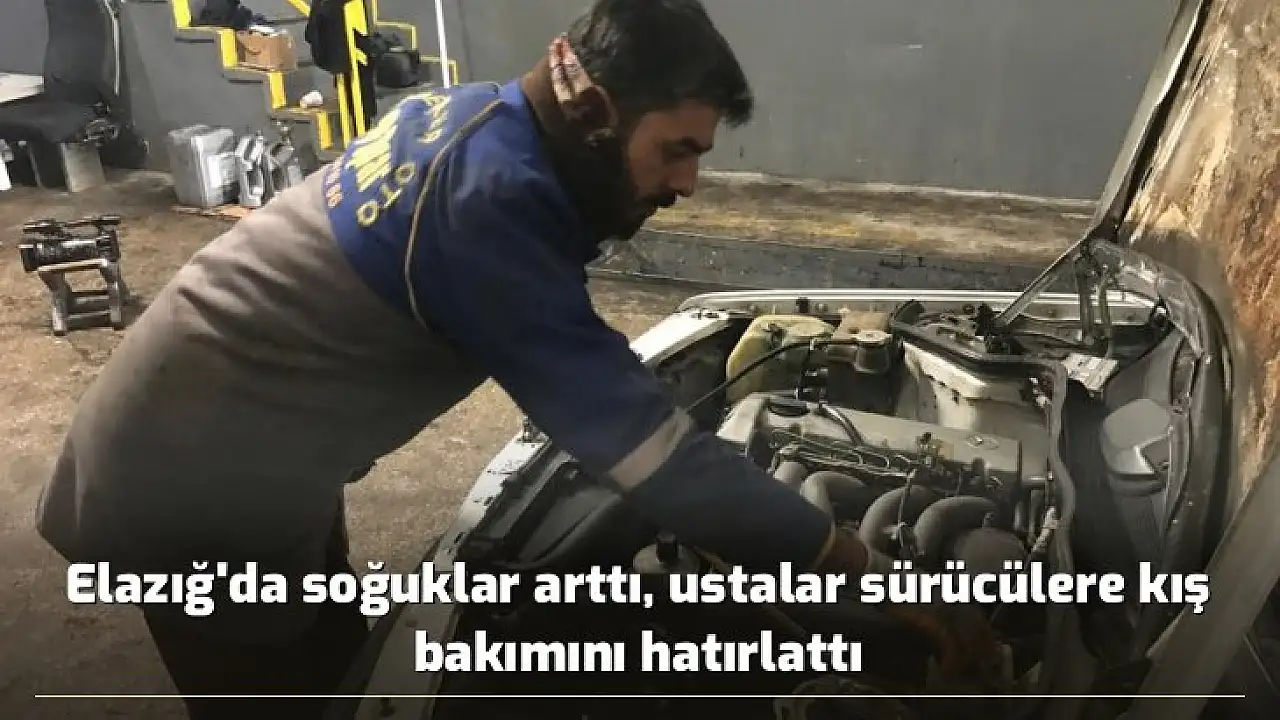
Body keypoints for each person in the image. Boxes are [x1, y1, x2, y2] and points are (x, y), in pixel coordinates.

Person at [34, 0, 997, 717]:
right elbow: (649, 452)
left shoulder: (475, 117)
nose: (690, 183)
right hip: (188, 488)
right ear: (598, 111)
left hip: (254, 448)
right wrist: (856, 565)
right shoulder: (489, 209)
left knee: (339, 664)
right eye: (676, 150)